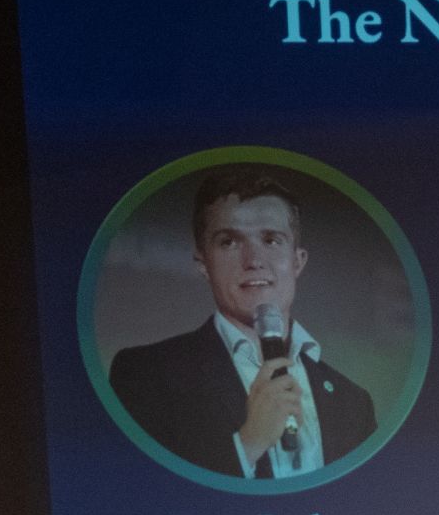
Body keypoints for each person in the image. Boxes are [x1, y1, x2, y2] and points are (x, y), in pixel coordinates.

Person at [109, 165, 377, 480]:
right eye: (229, 242)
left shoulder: (354, 401)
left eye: (271, 240)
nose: (253, 260)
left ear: (298, 261)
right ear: (203, 264)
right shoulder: (145, 376)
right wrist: (249, 442)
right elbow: (134, 495)